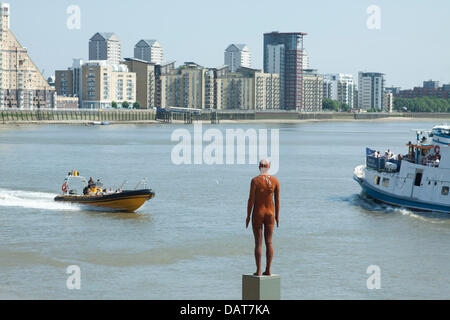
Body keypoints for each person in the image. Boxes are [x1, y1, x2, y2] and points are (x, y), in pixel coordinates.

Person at [246, 159, 280, 277]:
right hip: (270, 213)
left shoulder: (255, 181)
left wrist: (248, 216)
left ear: (259, 167)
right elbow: (277, 201)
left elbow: (251, 200)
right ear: (269, 167)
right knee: (269, 242)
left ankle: (259, 270)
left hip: (258, 213)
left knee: (258, 243)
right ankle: (268, 270)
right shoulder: (275, 181)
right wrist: (277, 216)